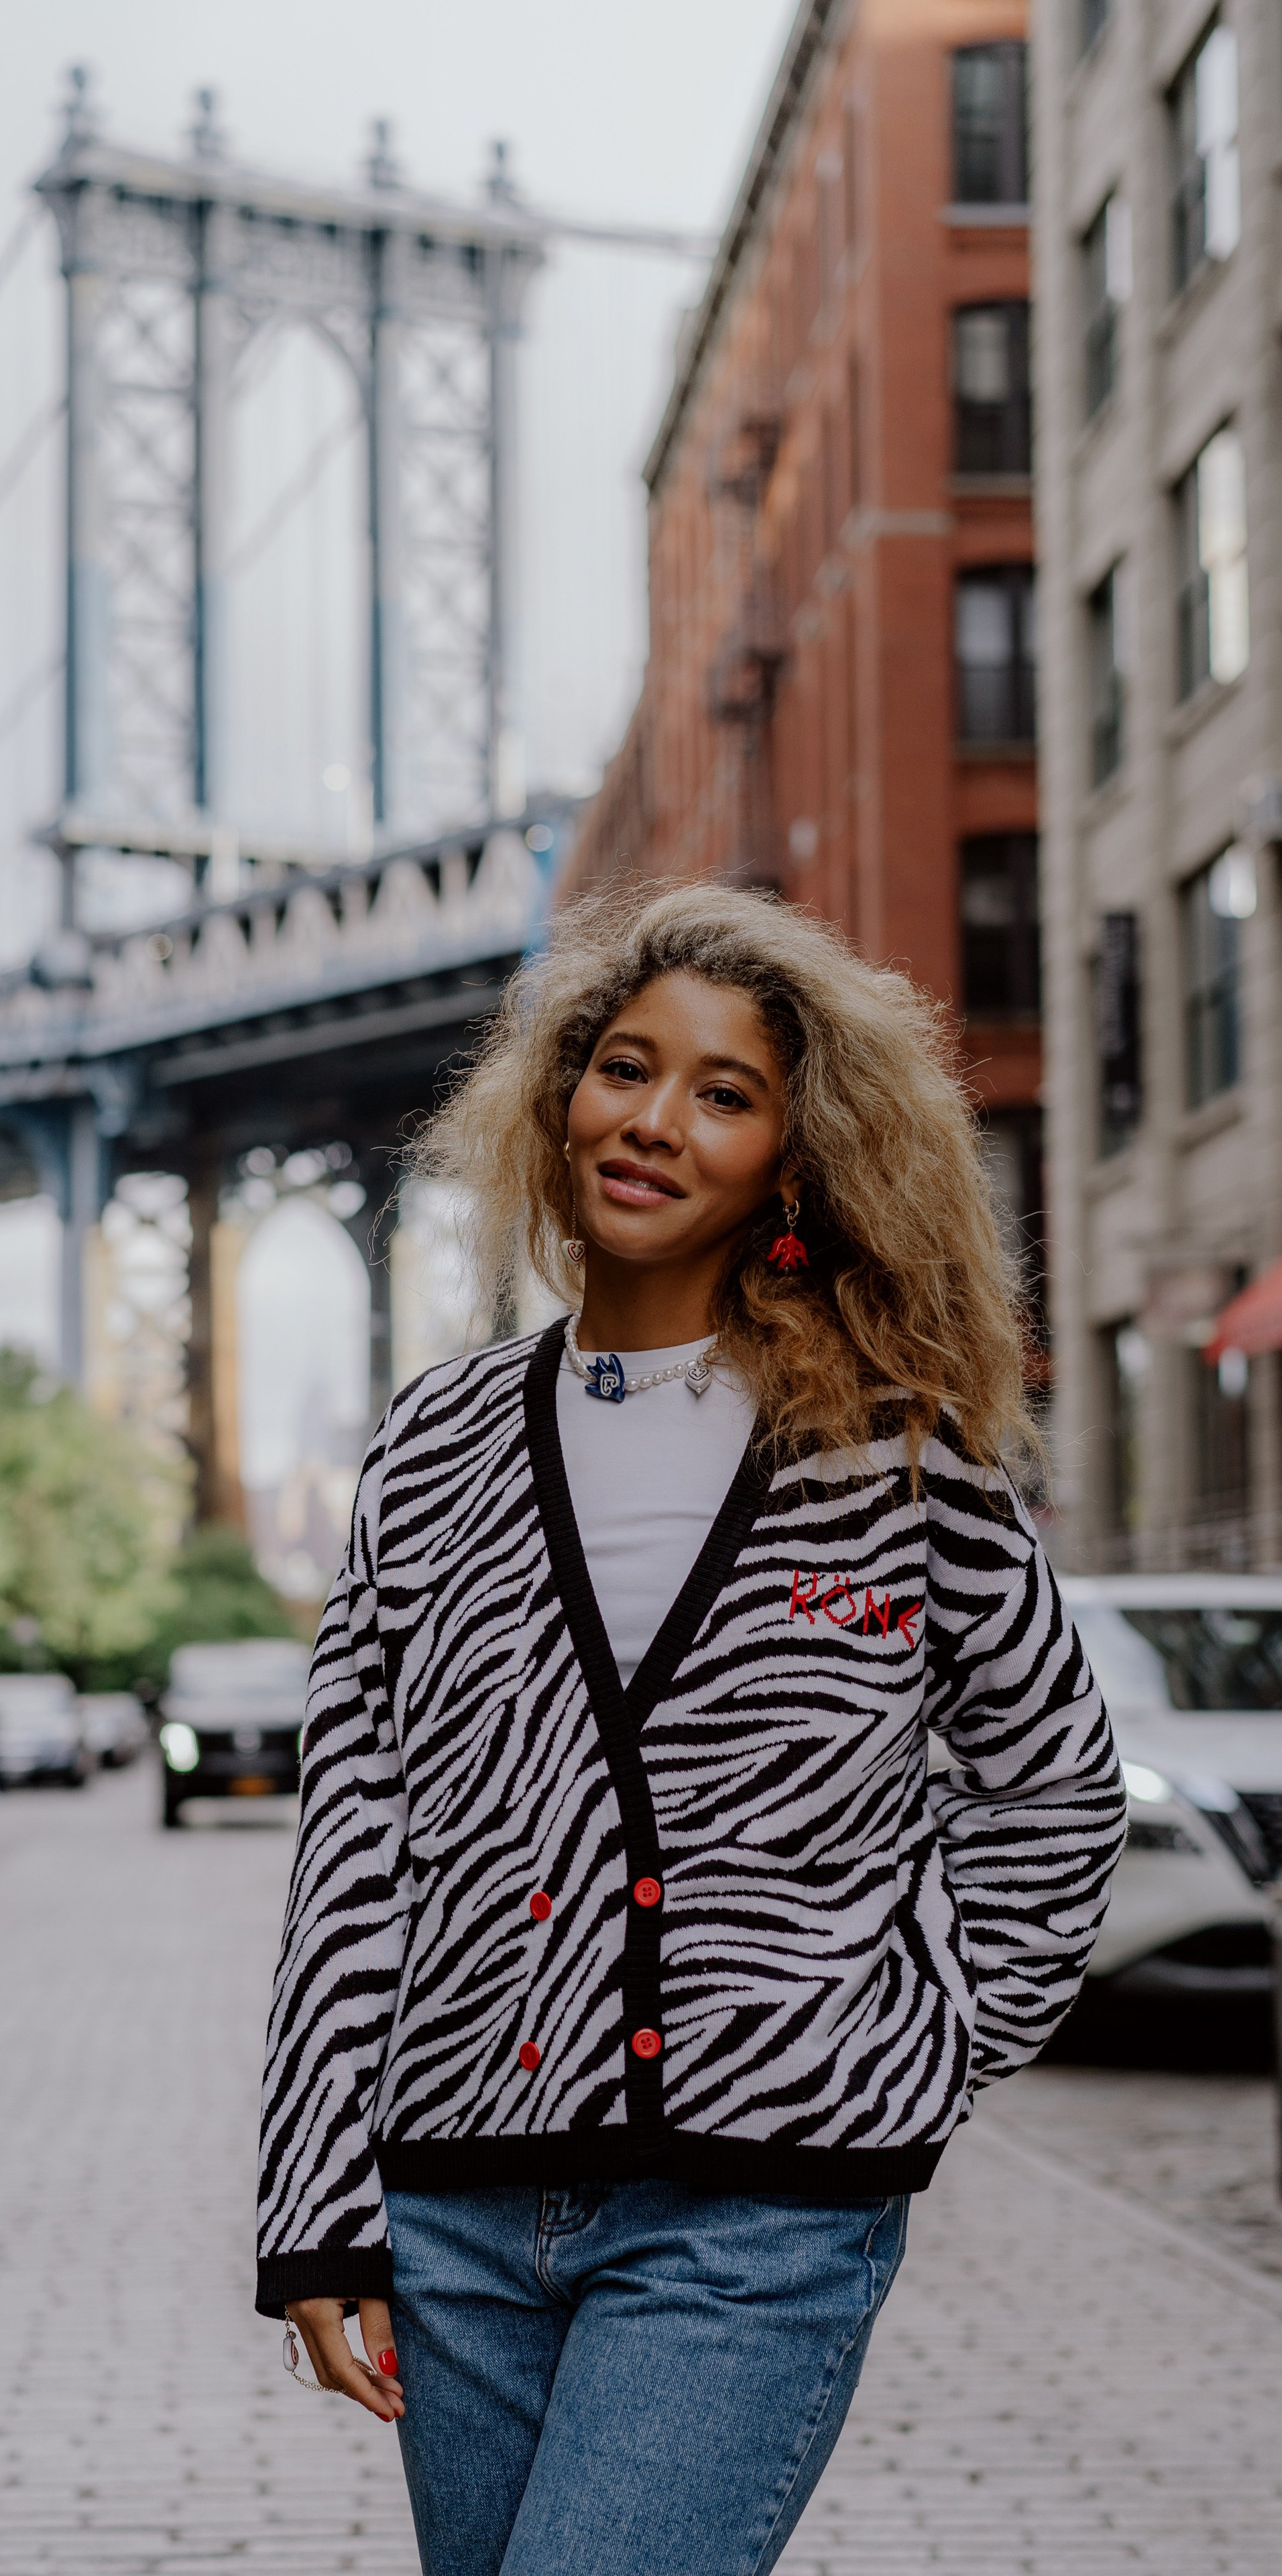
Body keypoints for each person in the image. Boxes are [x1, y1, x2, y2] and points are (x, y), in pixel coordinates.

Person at [256, 888, 1126, 2576]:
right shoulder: (433, 1440)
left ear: (789, 1162)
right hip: (452, 2207)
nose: (653, 1119)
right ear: (557, 1097)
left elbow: (1050, 1787)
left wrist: (918, 2049)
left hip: (753, 2214)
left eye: (721, 1093)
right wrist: (315, 2207)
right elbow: (353, 1831)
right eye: (623, 1068)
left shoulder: (892, 1452)